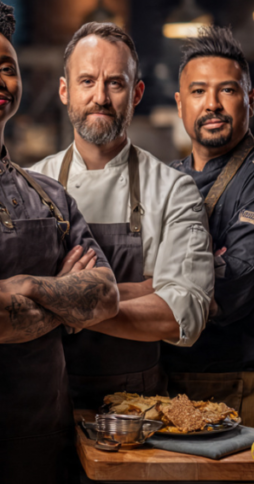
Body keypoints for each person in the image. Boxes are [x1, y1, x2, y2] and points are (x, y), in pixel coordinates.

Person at [0, 0, 119, 484]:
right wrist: (65, 302)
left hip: (52, 433)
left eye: (6, 67)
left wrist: (31, 288)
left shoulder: (50, 191)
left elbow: (106, 295)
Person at [32, 22, 214, 408]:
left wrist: (66, 303)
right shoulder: (30, 186)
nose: (100, 96)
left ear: (136, 94)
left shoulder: (173, 191)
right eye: (86, 81)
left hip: (138, 409)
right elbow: (8, 296)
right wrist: (144, 290)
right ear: (65, 91)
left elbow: (184, 316)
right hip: (42, 407)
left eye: (115, 83)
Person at [161, 26, 254, 431]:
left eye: (227, 91)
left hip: (241, 386)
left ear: (250, 99)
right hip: (168, 384)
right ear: (180, 103)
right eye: (198, 91)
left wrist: (152, 276)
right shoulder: (166, 179)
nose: (212, 105)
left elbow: (224, 293)